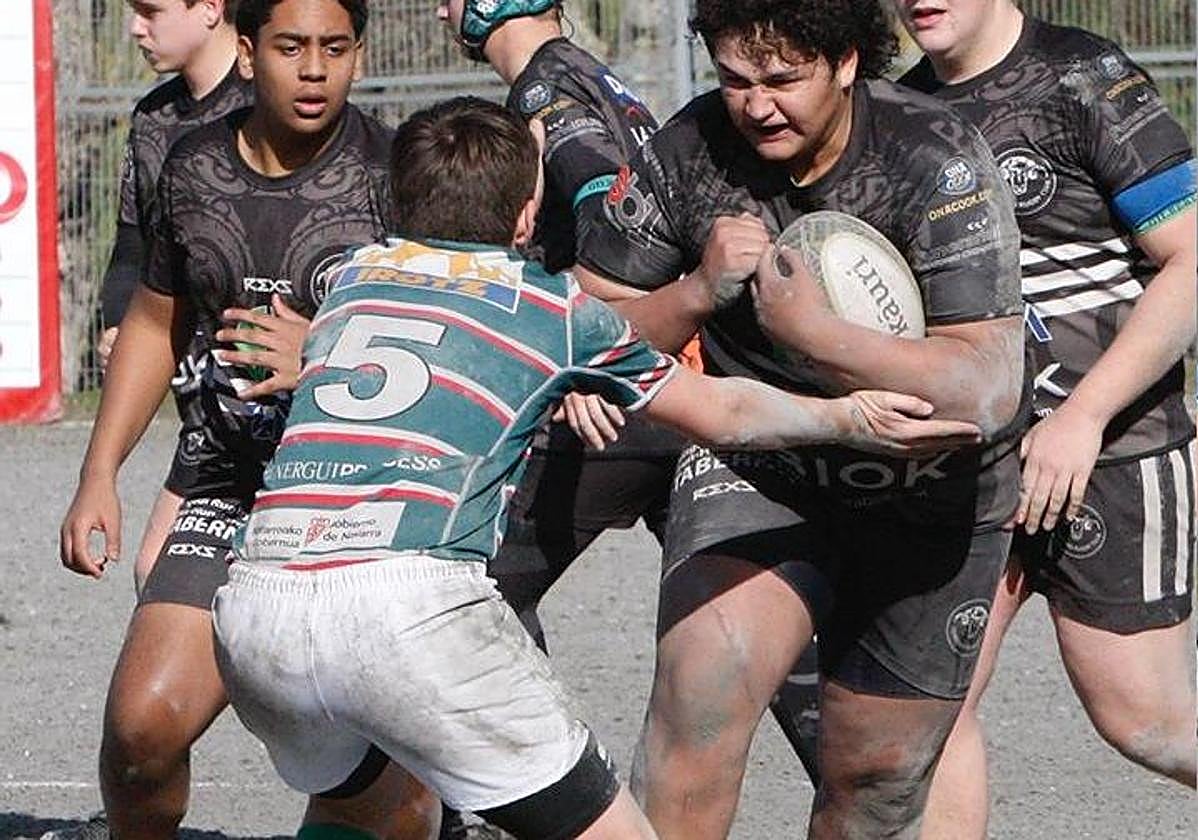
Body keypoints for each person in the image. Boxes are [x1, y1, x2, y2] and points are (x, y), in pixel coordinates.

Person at [211, 93, 988, 840]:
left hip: (255, 606)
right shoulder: (548, 309)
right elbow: (721, 412)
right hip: (408, 609)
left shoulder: (353, 277)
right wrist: (846, 417)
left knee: (358, 810)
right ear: (525, 216)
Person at [572, 0, 1027, 836]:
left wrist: (816, 333)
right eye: (735, 79)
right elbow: (586, 323)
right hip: (766, 464)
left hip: (929, 488)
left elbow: (988, 385)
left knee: (875, 779)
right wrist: (695, 293)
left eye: (783, 79)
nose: (756, 105)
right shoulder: (688, 151)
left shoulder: (935, 159)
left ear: (847, 61)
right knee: (699, 697)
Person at [58, 1, 437, 838]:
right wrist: (99, 475)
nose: (314, 69)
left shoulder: (397, 174)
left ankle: (410, 802)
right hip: (228, 485)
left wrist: (329, 355)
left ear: (360, 54)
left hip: (367, 502)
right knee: (140, 734)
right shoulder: (191, 164)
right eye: (291, 47)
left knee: (367, 765)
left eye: (335, 48)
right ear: (246, 49)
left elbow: (453, 340)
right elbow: (155, 321)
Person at [438, 0, 825, 787]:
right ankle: (873, 788)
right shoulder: (588, 73)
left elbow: (599, 199)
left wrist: (587, 351)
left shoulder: (546, 88)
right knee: (765, 625)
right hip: (670, 384)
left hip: (623, 388)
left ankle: (533, 799)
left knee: (461, 587)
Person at [891, 2, 1198, 837]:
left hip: (1112, 454)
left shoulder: (1083, 78)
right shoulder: (900, 114)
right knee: (927, 710)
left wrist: (1082, 418)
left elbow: (1190, 261)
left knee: (1147, 723)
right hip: (971, 466)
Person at [101, 0, 252, 595]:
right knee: (156, 573)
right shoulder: (154, 119)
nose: (135, 27)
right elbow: (134, 245)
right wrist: (119, 322)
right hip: (201, 404)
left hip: (271, 395)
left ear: (211, 8)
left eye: (150, 10)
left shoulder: (265, 106)